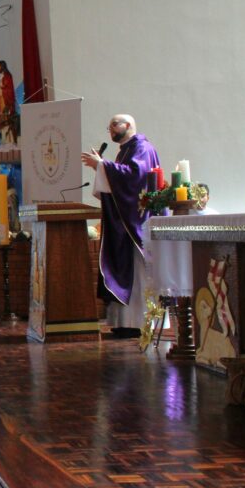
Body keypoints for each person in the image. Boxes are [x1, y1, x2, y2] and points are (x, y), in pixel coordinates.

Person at [81, 114, 160, 337]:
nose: (111, 130)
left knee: (137, 272)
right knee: (125, 268)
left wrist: (103, 166)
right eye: (109, 127)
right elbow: (119, 179)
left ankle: (140, 322)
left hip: (136, 221)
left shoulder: (141, 147)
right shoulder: (125, 150)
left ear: (128, 125)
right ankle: (124, 321)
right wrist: (102, 168)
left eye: (114, 125)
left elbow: (135, 177)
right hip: (124, 219)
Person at [0, 60, 19, 144]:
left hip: (5, 101)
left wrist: (0, 86)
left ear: (2, 66)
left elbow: (8, 88)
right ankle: (5, 139)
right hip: (1, 100)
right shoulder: (2, 76)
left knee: (7, 119)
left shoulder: (7, 76)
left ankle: (10, 140)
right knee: (2, 119)